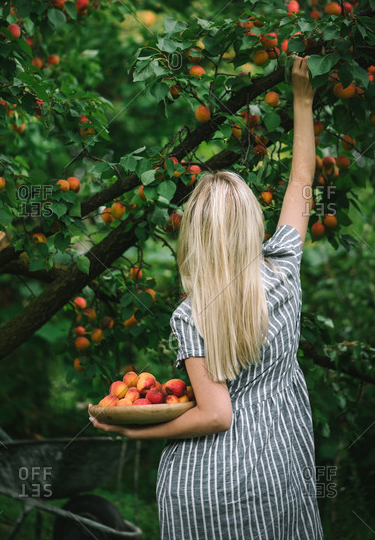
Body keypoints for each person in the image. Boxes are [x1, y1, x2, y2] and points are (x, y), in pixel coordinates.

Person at [89, 55, 324, 539]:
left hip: (201, 488)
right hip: (276, 475)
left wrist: (134, 429)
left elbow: (216, 415)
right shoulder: (283, 269)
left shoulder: (191, 314)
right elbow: (302, 182)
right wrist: (303, 99)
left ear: (195, 235)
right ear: (250, 226)